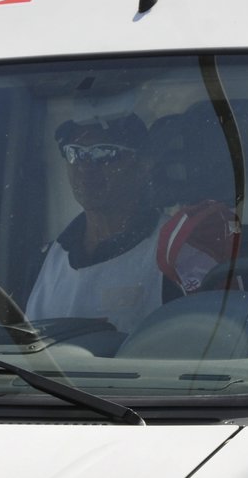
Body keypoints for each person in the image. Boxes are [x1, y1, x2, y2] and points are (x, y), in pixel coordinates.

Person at [27, 114, 165, 333]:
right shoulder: (46, 260)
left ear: (143, 166)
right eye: (75, 153)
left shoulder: (172, 252)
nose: (85, 167)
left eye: (104, 153)